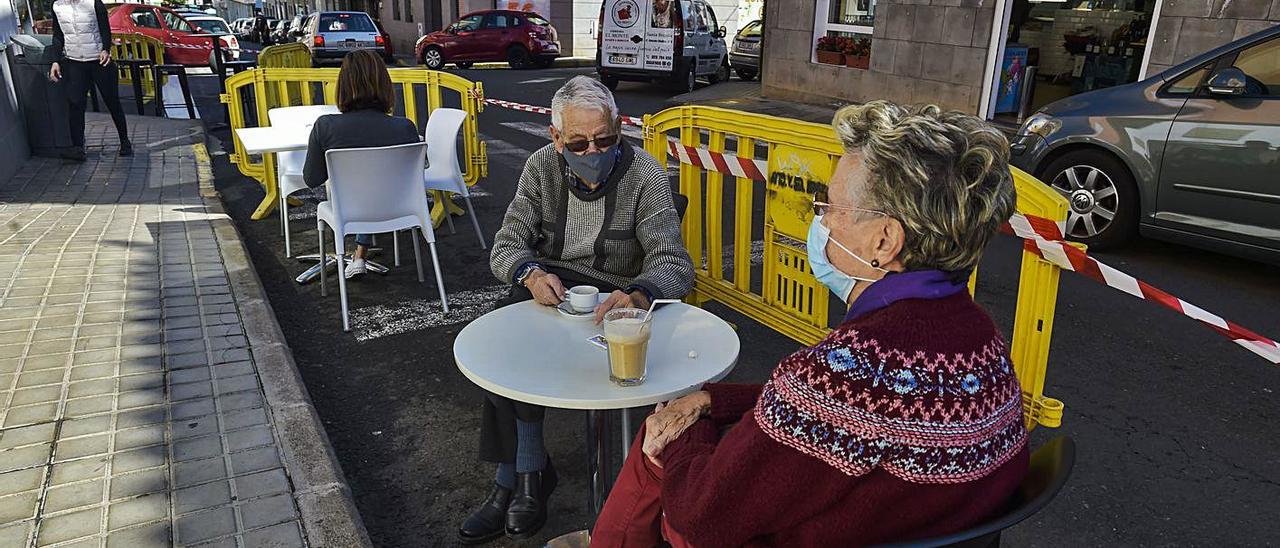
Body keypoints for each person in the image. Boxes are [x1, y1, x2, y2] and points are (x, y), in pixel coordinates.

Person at [591, 101, 1030, 547]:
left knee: (658, 445)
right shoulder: (983, 344)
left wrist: (683, 431)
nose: (820, 220)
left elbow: (700, 516)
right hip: (922, 527)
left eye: (830, 207)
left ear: (884, 240)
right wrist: (711, 401)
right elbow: (839, 414)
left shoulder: (855, 368)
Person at [458, 75, 693, 544]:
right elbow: (506, 245)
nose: (593, 152)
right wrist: (529, 274)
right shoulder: (540, 167)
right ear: (556, 137)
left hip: (618, 295)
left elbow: (673, 261)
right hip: (553, 283)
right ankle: (522, 475)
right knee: (505, 349)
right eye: (579, 142)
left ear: (618, 131)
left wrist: (639, 295)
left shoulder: (645, 173)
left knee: (522, 348)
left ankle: (519, 480)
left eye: (605, 140)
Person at [302, 49, 421, 278]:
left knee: (348, 194)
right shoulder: (405, 127)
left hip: (349, 212)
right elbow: (417, 172)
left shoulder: (325, 126)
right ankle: (360, 254)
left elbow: (312, 179)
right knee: (373, 188)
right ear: (384, 83)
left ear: (343, 85)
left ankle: (355, 257)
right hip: (400, 211)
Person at [48, 0, 132, 161]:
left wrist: (106, 50)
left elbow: (105, 29)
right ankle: (78, 148)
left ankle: (125, 141)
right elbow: (58, 35)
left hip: (98, 60)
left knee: (112, 102)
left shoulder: (94, 3)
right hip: (74, 62)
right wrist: (55, 60)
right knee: (75, 104)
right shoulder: (57, 6)